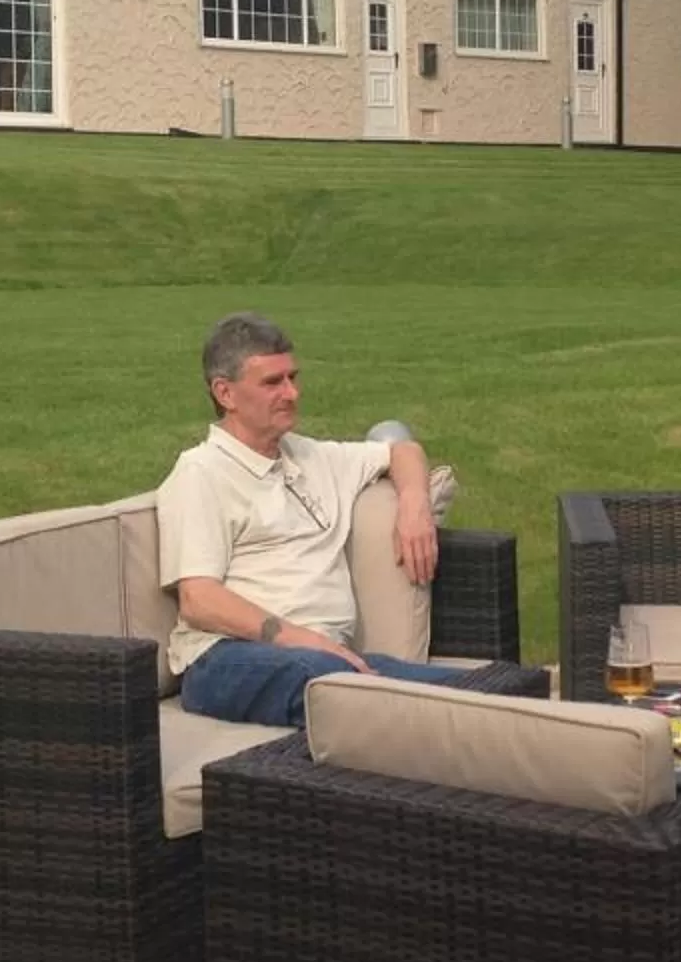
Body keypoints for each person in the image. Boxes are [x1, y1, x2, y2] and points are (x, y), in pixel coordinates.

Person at [157, 311, 473, 728]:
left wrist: (414, 506)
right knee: (341, 688)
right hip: (229, 660)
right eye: (272, 382)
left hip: (328, 661)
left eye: (292, 377)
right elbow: (199, 600)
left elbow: (403, 450)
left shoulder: (312, 457)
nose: (291, 393)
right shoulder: (202, 473)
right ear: (225, 393)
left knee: (486, 693)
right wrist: (301, 640)